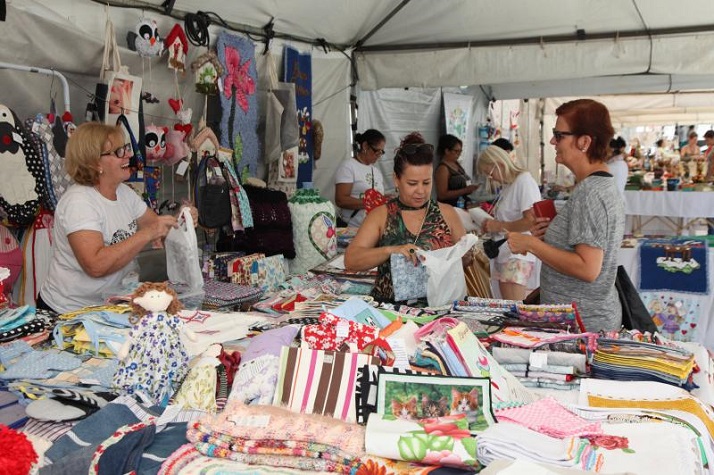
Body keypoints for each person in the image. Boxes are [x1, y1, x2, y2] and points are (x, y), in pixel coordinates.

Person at [38, 122, 191, 314]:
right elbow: (96, 266)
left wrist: (183, 218)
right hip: (69, 312)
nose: (128, 155)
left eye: (126, 148)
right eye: (119, 152)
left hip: (108, 307)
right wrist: (147, 234)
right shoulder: (79, 203)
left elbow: (157, 226)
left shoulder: (124, 193)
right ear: (95, 162)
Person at [507, 99, 625, 332]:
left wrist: (531, 244)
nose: (552, 141)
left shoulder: (589, 192)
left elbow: (587, 268)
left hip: (581, 325)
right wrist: (550, 236)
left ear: (584, 142)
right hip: (585, 318)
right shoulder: (598, 185)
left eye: (558, 135)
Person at [344, 132, 466, 303]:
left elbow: (465, 262)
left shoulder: (447, 213)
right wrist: (391, 250)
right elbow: (351, 260)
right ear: (396, 179)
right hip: (391, 314)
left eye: (426, 182)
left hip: (439, 311)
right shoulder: (381, 215)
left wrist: (467, 254)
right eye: (412, 183)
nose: (421, 191)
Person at [477, 145, 541, 301]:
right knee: (506, 305)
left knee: (513, 306)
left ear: (499, 164)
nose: (490, 179)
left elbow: (531, 221)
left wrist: (498, 226)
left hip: (518, 255)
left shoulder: (524, 181)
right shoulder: (508, 186)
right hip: (506, 253)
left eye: (489, 173)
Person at [334, 129, 387, 227]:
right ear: (365, 146)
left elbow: (377, 196)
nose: (379, 156)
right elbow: (341, 200)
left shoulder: (376, 171)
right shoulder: (348, 167)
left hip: (372, 227)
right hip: (352, 229)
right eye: (376, 151)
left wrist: (386, 199)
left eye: (381, 152)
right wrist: (370, 202)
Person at [434, 134, 479, 207]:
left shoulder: (456, 163)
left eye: (460, 151)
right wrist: (465, 190)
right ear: (447, 151)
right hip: (450, 208)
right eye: (456, 151)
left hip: (462, 205)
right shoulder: (443, 169)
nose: (459, 154)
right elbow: (442, 195)